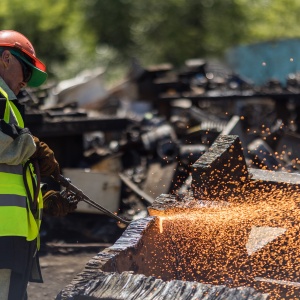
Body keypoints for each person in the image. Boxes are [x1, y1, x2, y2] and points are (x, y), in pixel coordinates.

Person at [0, 30, 77, 300]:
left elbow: (9, 173)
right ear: (6, 58)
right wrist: (33, 147)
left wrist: (42, 195)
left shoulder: (8, 104)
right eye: (27, 71)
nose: (27, 82)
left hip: (12, 236)